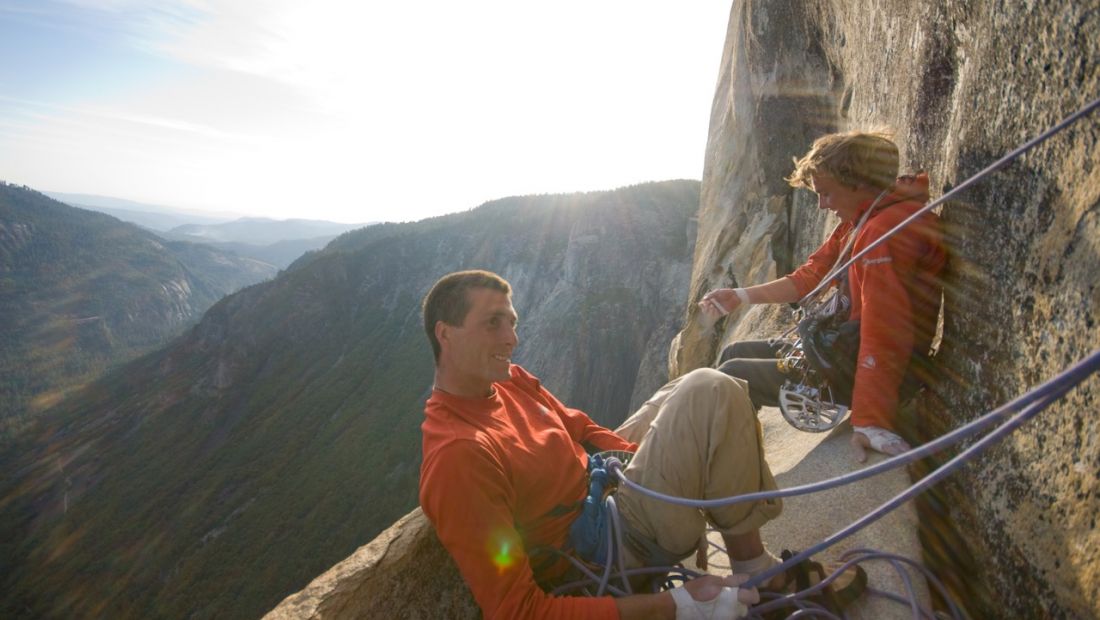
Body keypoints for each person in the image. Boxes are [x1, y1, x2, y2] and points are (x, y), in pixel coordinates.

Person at [418, 270, 801, 619]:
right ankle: (757, 575)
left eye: (512, 322)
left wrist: (657, 471)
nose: (511, 338)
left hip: (609, 489)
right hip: (607, 550)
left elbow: (578, 426)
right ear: (445, 334)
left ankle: (710, 526)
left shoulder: (506, 380)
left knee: (680, 392)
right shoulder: (459, 457)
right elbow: (519, 611)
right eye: (492, 323)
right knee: (711, 390)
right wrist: (677, 605)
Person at [699, 130, 946, 461]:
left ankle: (734, 469)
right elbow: (809, 277)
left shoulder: (882, 233)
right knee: (734, 352)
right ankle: (737, 453)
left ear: (859, 183)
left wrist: (871, 419)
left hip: (865, 367)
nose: (822, 205)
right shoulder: (863, 219)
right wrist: (739, 296)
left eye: (827, 193)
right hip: (846, 347)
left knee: (732, 376)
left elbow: (884, 329)